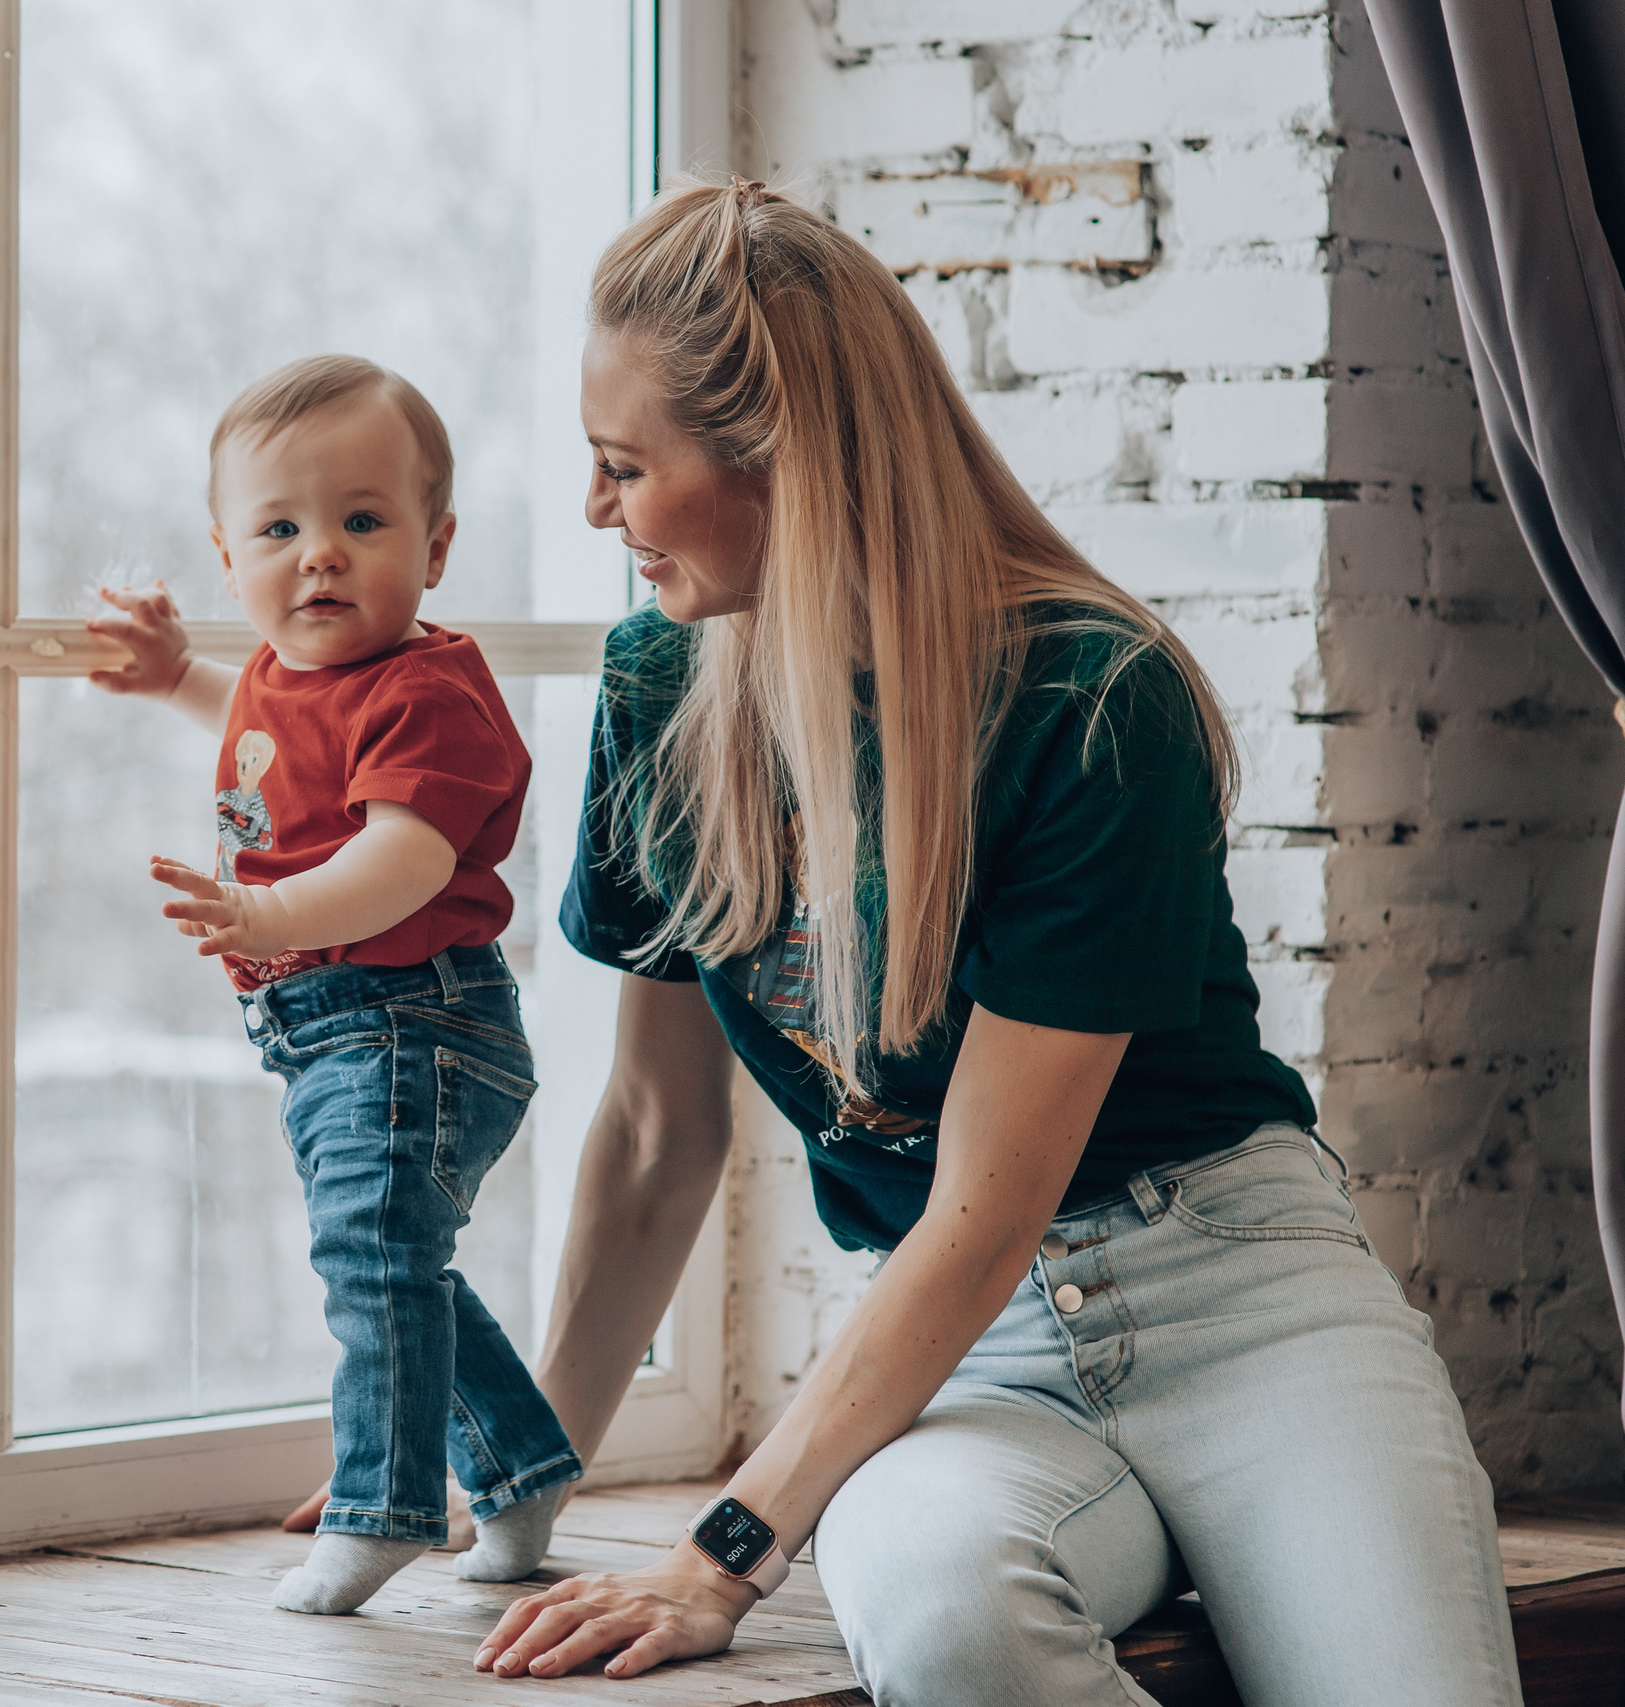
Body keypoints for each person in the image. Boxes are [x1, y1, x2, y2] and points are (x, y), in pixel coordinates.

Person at [463, 182, 1525, 1705]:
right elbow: (649, 1134)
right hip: (965, 1362)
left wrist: (721, 1552)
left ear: (784, 456)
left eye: (624, 467)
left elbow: (986, 1202)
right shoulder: (658, 691)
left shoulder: (1091, 698)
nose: (594, 508)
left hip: (1241, 1306)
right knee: (943, 1614)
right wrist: (518, 1489)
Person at [87, 354, 583, 1615]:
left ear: (436, 545)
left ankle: (383, 1511)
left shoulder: (428, 693)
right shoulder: (287, 674)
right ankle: (520, 1474)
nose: (320, 556)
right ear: (226, 557)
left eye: (363, 521)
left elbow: (402, 863)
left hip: (414, 1018)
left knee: (374, 1259)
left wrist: (264, 913)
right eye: (279, 530)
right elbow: (262, 735)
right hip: (329, 1030)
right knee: (394, 1263)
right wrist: (171, 676)